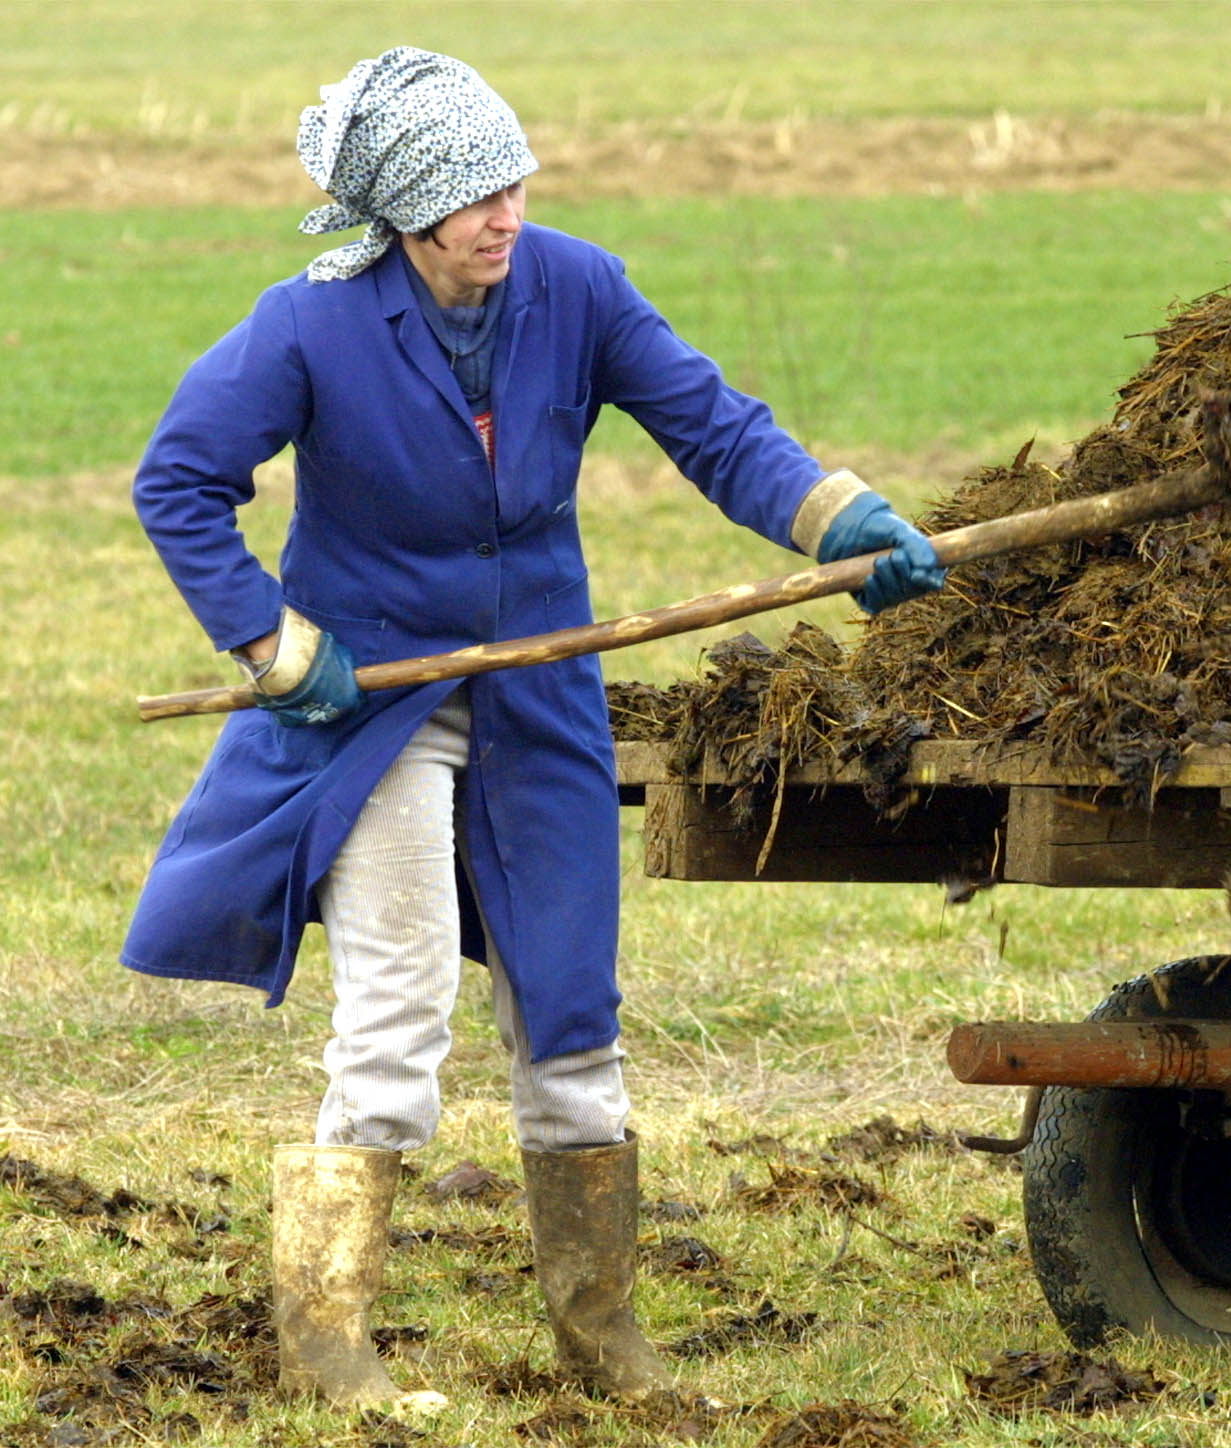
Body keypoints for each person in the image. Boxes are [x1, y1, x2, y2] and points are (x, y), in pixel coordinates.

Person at [124, 47, 946, 1413]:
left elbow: (714, 428)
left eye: (510, 182)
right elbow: (180, 480)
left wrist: (835, 519)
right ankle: (329, 1343)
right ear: (401, 215)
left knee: (572, 1018)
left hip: (539, 708)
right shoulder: (308, 327)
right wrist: (277, 646)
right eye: (466, 198)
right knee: (394, 1017)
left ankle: (604, 1344)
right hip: (376, 711)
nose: (500, 214)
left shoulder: (578, 285)